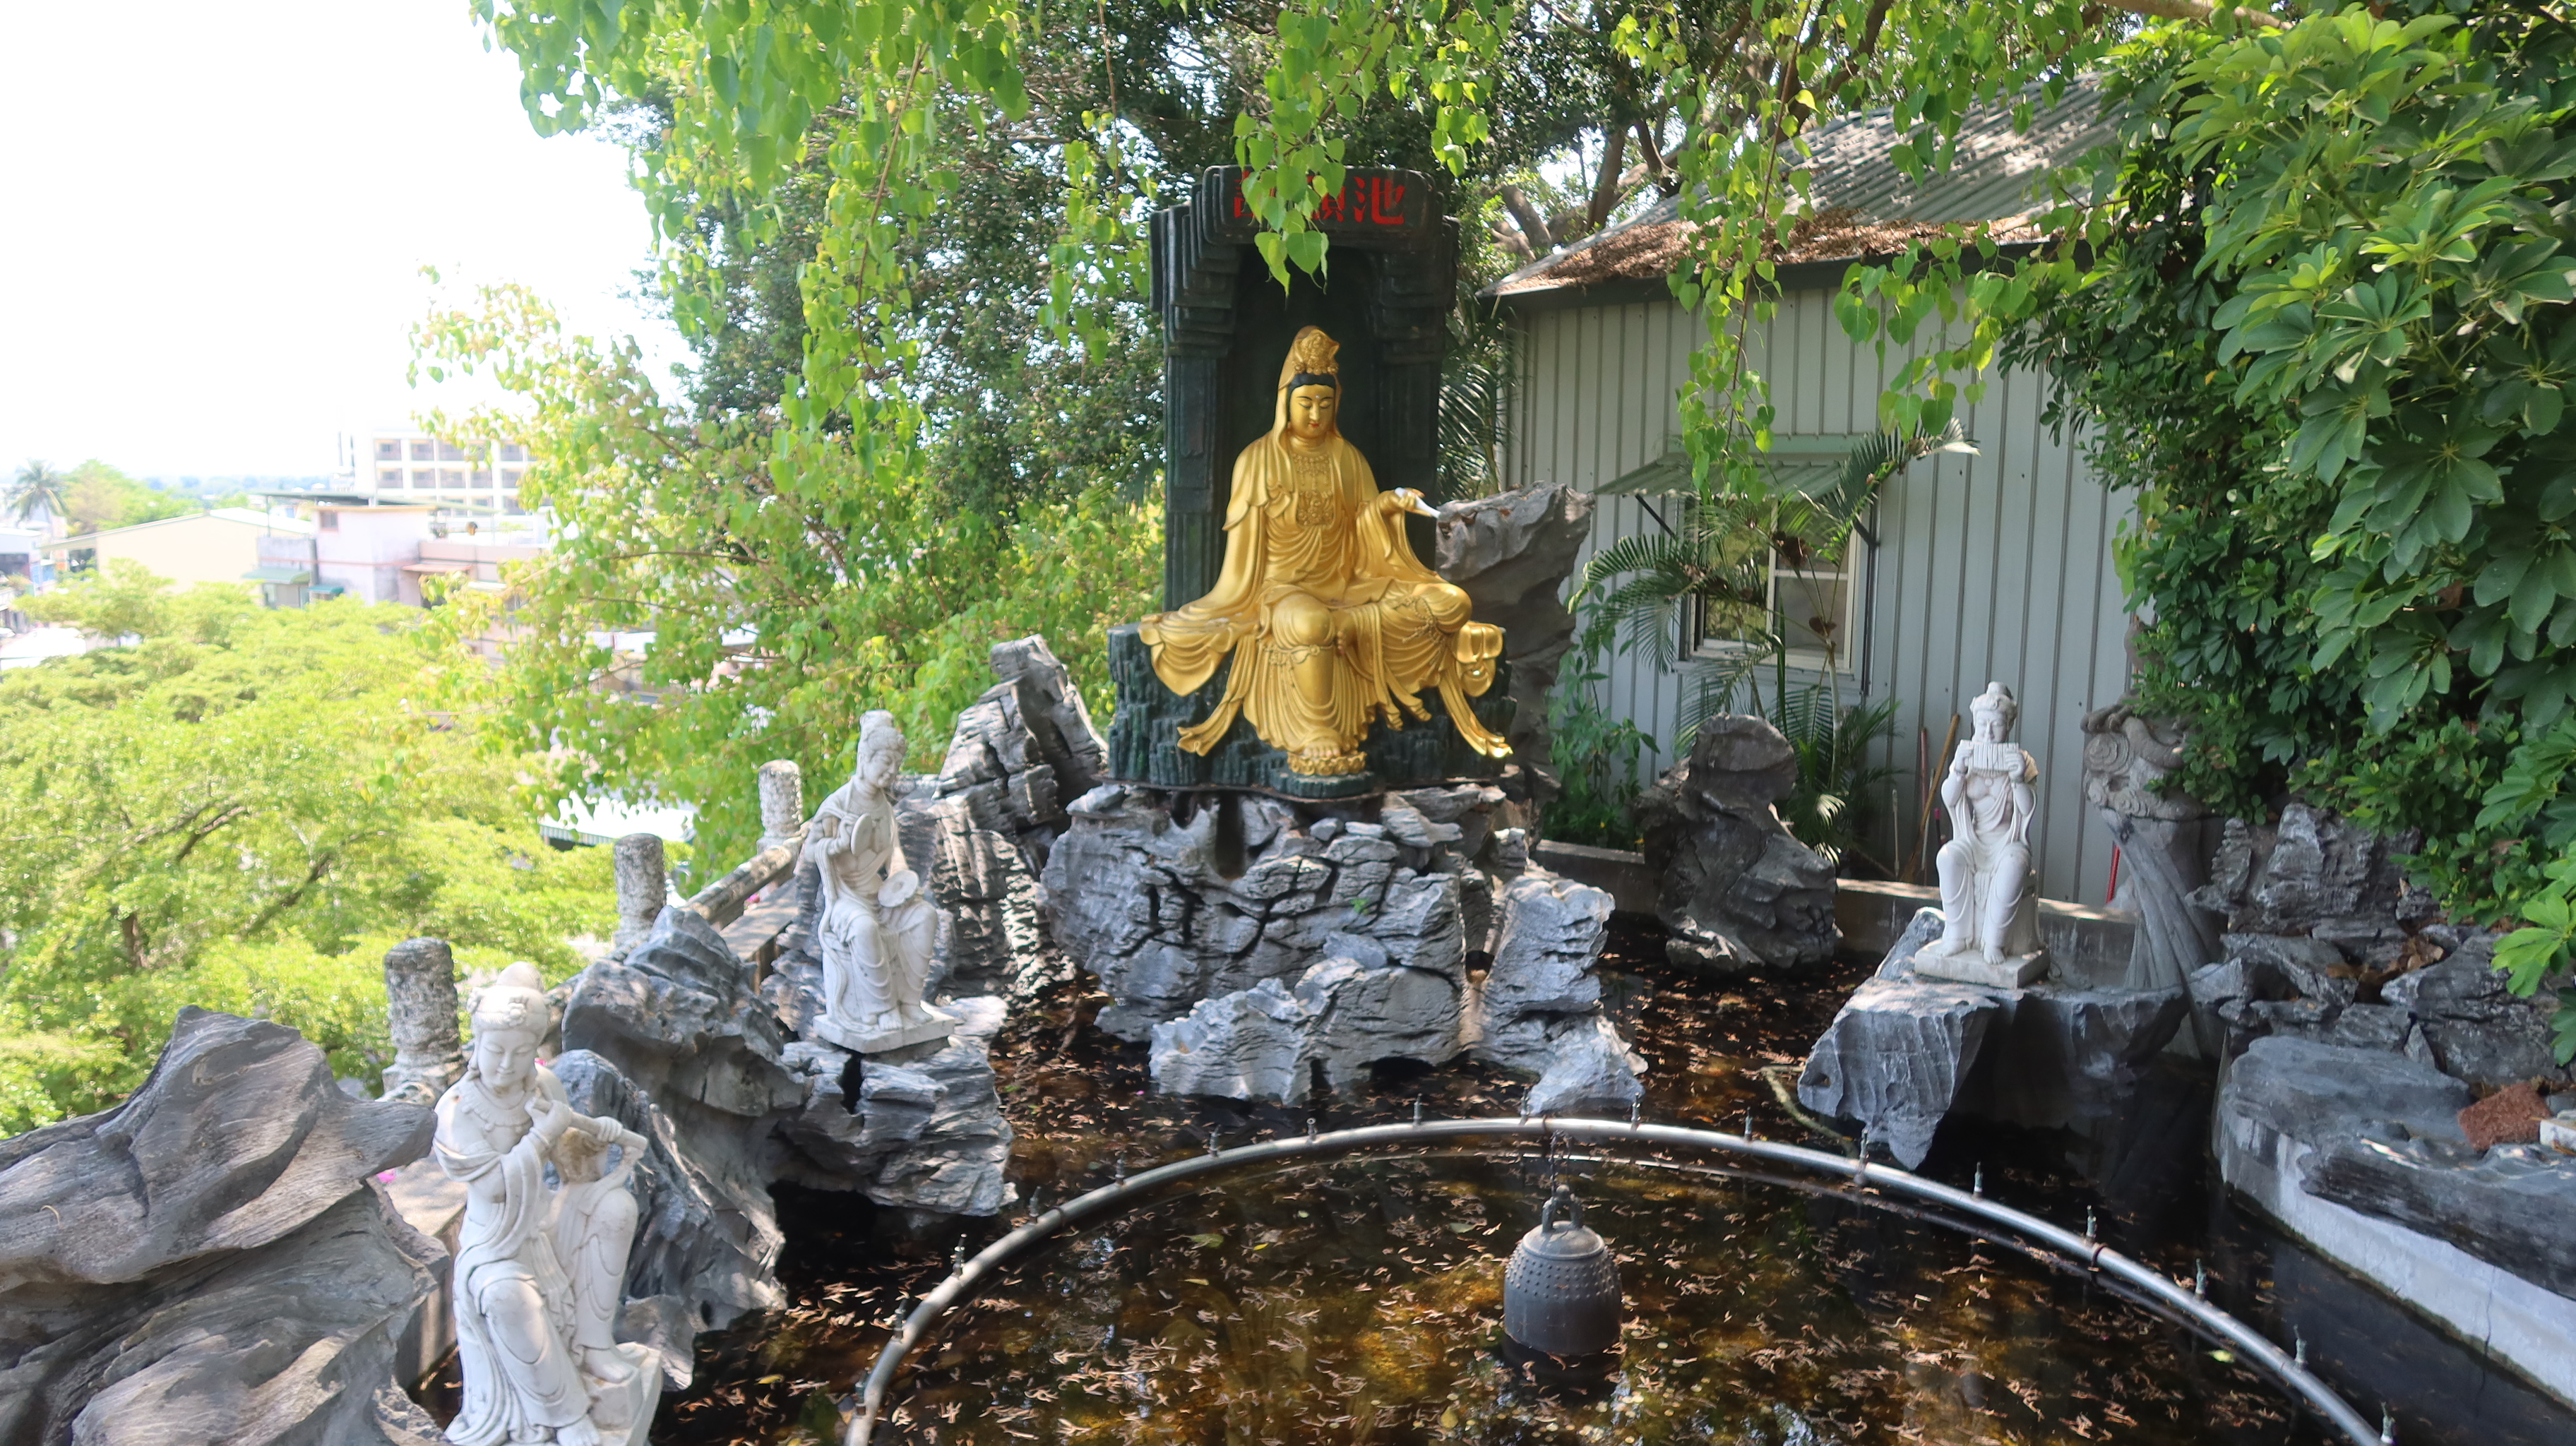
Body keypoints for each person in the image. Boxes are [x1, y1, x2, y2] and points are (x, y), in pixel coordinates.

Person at [1138, 325, 1508, 778]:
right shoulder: (1257, 460)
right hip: (1284, 592)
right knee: (1312, 625)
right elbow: (1243, 559)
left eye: (1326, 403)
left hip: (1351, 586)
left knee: (1452, 603)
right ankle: (1318, 730)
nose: (1316, 414)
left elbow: (1364, 526)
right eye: (1306, 402)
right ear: (1285, 403)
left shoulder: (1347, 457)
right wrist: (1238, 605)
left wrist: (1388, 506)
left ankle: (1348, 626)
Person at [434, 962, 655, 1445]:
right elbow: (495, 1186)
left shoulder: (543, 1086)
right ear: (477, 1045)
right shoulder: (457, 1110)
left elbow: (576, 1172)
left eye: (521, 1053)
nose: (506, 1065)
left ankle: (595, 1345)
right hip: (496, 1247)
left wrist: (595, 1140)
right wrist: (542, 1135)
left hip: (544, 1226)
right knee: (505, 1296)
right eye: (496, 1051)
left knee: (615, 1209)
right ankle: (566, 1413)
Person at [802, 710, 954, 1051]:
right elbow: (809, 852)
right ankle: (883, 1008)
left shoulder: (885, 807)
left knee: (925, 915)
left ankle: (910, 1003)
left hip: (880, 895)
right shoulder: (838, 803)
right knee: (863, 928)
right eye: (885, 762)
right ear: (865, 758)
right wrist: (836, 845)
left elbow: (894, 852)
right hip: (847, 899)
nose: (891, 772)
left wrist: (902, 882)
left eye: (896, 766)